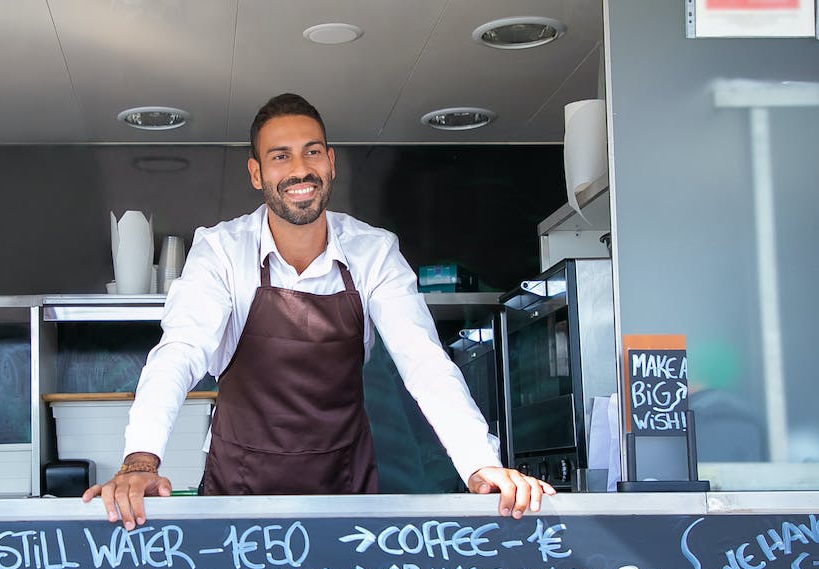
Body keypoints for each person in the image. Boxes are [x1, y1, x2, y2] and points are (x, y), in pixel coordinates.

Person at [84, 92, 555, 529]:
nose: (300, 169)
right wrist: (141, 460)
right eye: (280, 156)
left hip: (346, 495)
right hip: (239, 495)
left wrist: (480, 464)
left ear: (331, 163)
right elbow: (179, 353)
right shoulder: (221, 252)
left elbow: (424, 362)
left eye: (312, 152)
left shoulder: (374, 253)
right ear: (256, 174)